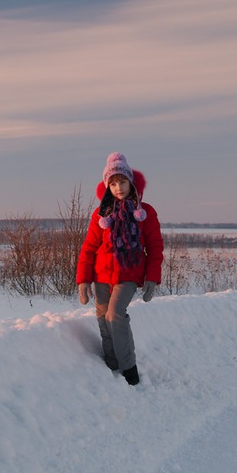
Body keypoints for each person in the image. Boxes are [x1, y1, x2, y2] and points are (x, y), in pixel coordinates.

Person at [76, 152, 164, 386]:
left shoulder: (145, 212)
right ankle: (111, 363)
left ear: (130, 182)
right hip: (101, 274)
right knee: (103, 319)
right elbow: (88, 248)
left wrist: (152, 279)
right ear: (107, 187)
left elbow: (155, 248)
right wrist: (83, 281)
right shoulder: (101, 214)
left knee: (115, 314)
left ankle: (129, 368)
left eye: (122, 182)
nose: (118, 187)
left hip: (129, 275)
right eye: (113, 184)